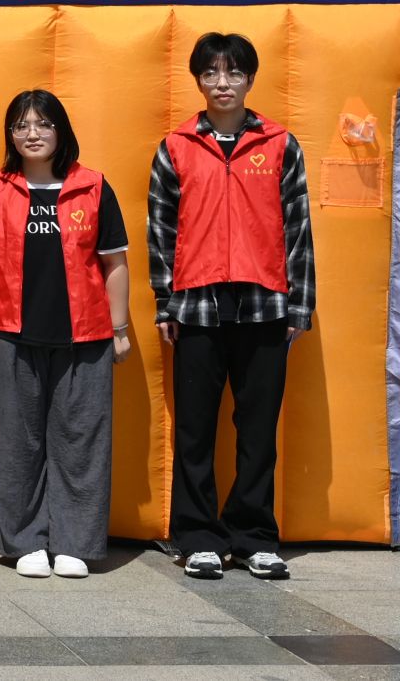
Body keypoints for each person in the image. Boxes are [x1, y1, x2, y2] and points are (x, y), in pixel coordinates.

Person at [149, 33, 313, 581]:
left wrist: (299, 305)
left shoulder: (280, 143)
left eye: (234, 73)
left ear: (250, 79)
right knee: (194, 429)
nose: (223, 83)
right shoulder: (176, 146)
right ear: (198, 80)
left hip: (265, 304)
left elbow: (298, 227)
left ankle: (253, 537)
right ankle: (196, 536)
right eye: (212, 73)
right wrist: (164, 302)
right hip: (196, 304)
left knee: (258, 430)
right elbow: (160, 228)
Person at [0, 90, 132, 579]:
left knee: (80, 442)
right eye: (21, 125)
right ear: (10, 135)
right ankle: (25, 544)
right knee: (16, 444)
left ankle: (74, 544)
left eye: (43, 124)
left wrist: (120, 329)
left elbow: (115, 263)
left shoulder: (93, 187)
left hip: (86, 336)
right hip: (10, 333)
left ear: (61, 131)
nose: (32, 134)